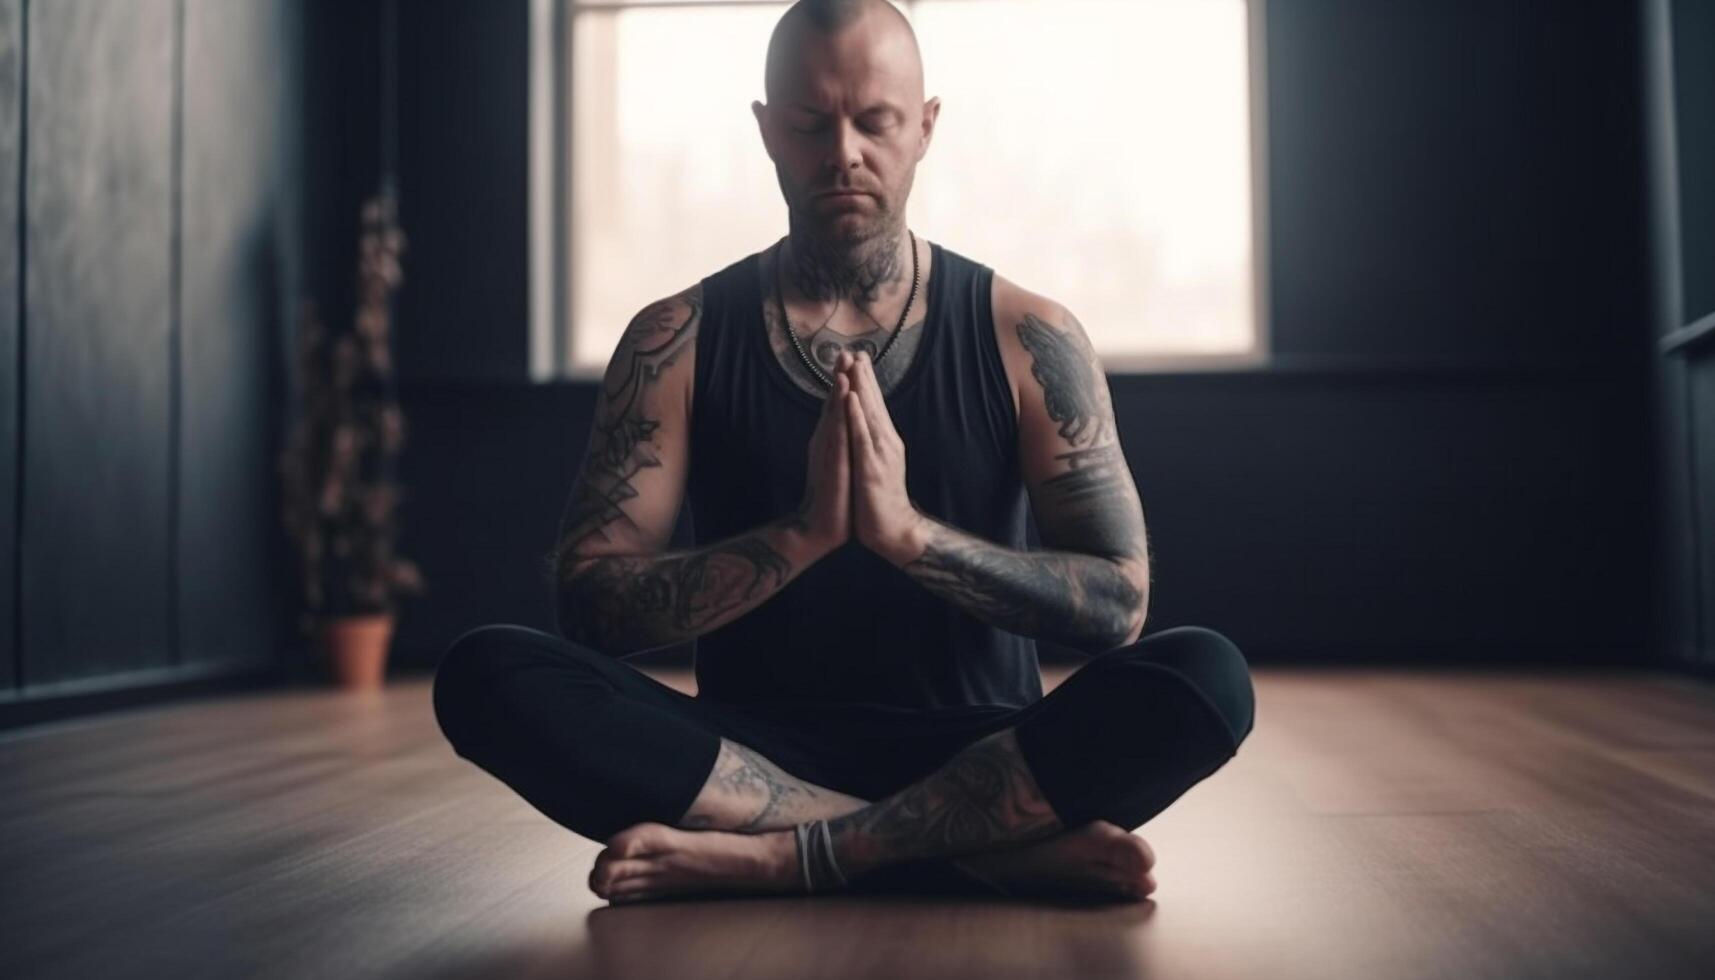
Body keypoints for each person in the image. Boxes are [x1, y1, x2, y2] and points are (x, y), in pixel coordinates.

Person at [433, 0, 1254, 904]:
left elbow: (1116, 607)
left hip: (983, 749)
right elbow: (589, 607)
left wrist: (908, 537)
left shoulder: (1030, 335)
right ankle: (967, 851)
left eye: (875, 120)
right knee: (486, 673)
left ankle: (790, 860)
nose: (844, 152)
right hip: (749, 756)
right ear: (766, 132)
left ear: (925, 127)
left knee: (1206, 675)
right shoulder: (676, 339)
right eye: (809, 123)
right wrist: (802, 537)